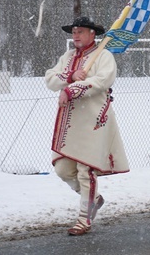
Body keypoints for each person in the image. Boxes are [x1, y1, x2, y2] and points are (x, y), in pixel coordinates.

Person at [45, 16, 129, 236]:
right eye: (74, 32)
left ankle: (84, 219)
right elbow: (50, 79)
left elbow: (103, 80)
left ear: (92, 34)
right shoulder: (68, 56)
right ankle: (94, 199)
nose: (76, 36)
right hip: (69, 125)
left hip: (93, 123)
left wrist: (73, 88)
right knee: (63, 170)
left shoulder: (104, 56)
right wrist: (70, 76)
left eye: (80, 31)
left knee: (85, 170)